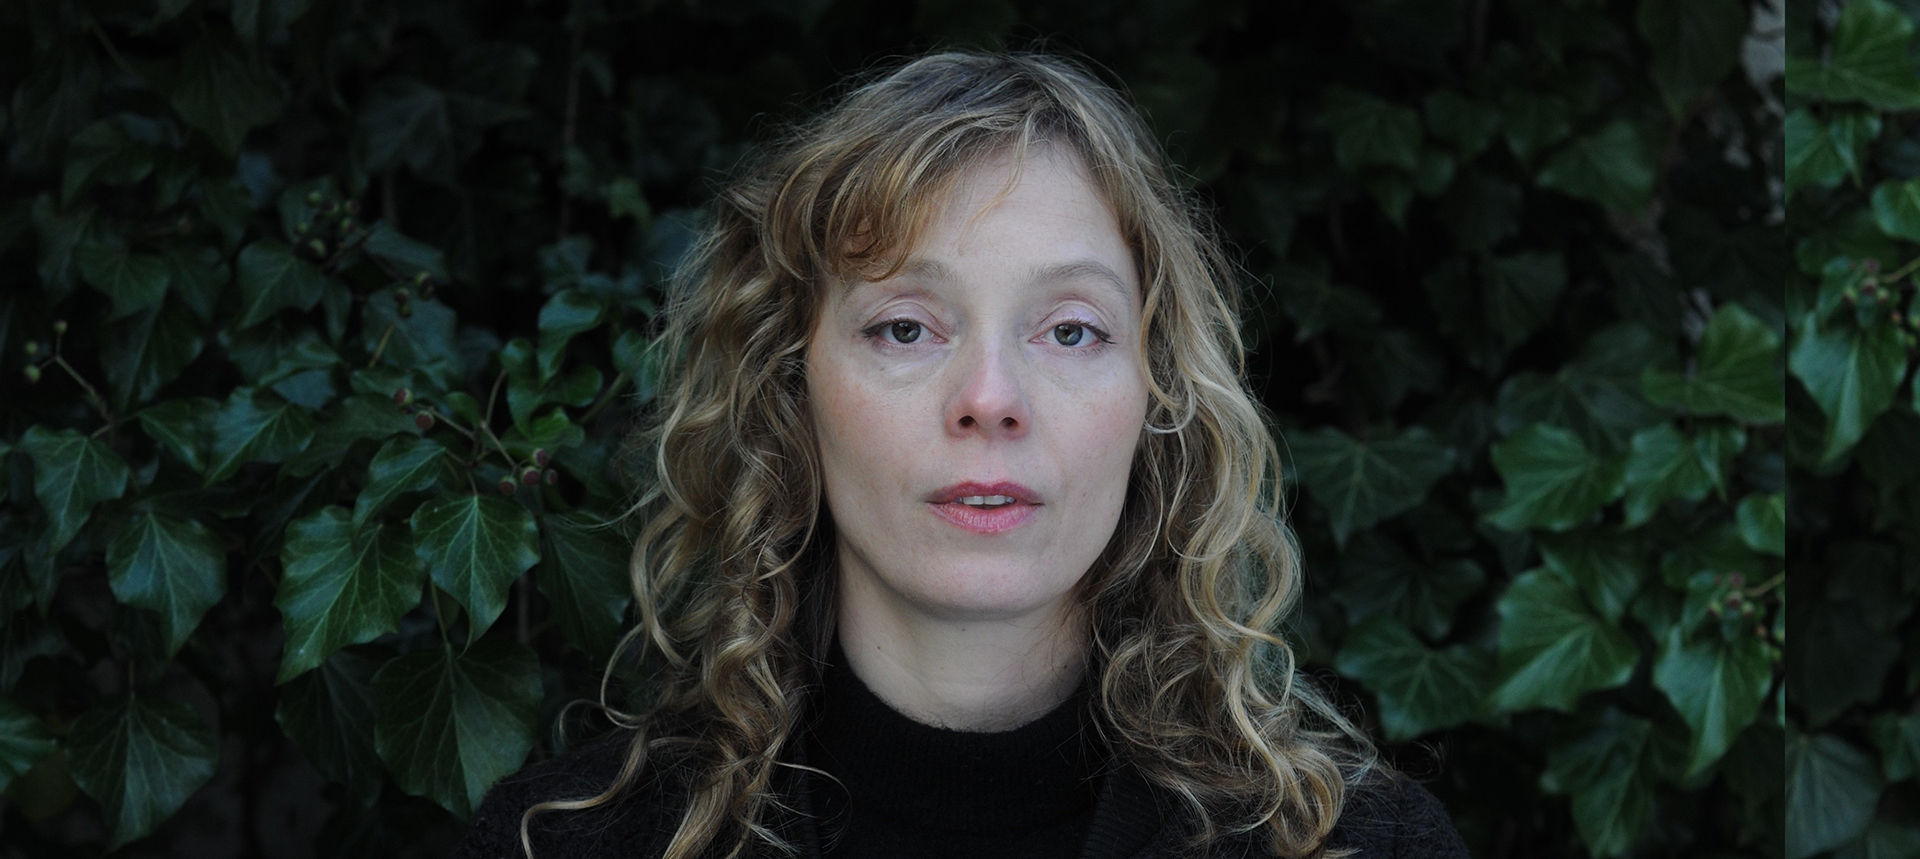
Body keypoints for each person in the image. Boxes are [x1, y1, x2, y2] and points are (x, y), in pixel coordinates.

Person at [453, 51, 1469, 859]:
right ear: (789, 386)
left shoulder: (1358, 844)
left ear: (1158, 394)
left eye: (1070, 330)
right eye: (906, 327)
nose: (990, 399)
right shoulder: (565, 843)